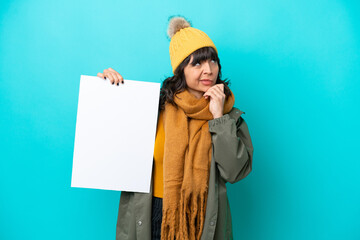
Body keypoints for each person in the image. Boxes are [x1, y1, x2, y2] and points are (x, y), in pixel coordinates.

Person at [97, 16, 254, 240]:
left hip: (201, 218)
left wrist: (218, 117)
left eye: (213, 61)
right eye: (197, 63)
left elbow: (234, 171)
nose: (208, 70)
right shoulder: (153, 110)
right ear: (180, 69)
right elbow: (111, 152)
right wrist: (109, 92)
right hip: (152, 215)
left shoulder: (230, 117)